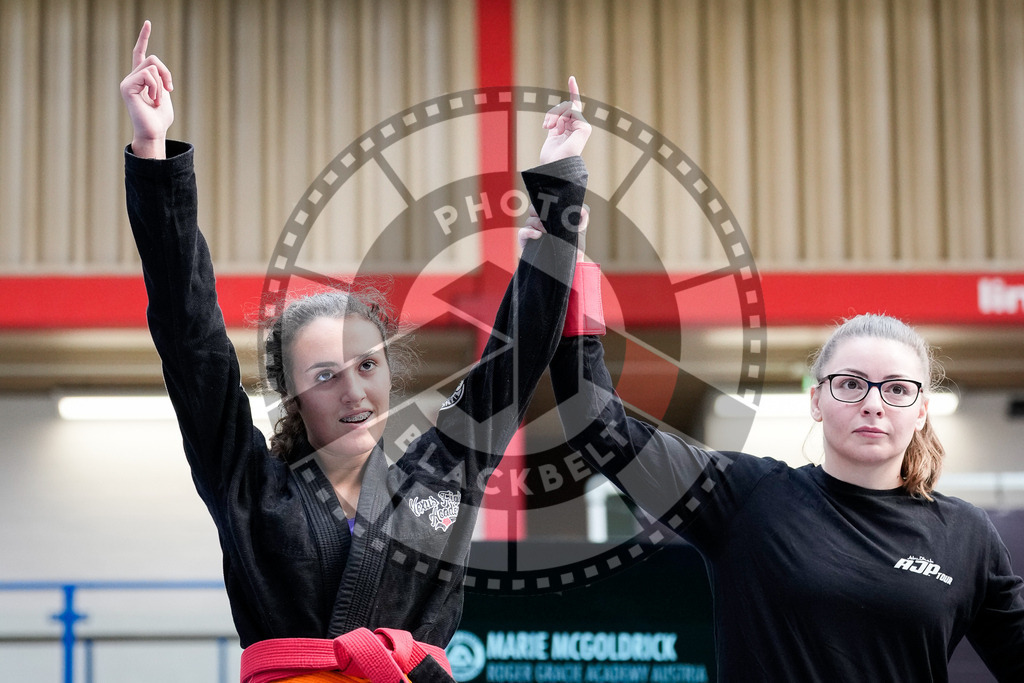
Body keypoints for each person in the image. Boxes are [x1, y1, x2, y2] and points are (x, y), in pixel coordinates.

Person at [120, 19, 592, 679]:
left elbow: (516, 359)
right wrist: (153, 150)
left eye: (367, 365)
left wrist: (556, 191)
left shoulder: (443, 469)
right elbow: (188, 333)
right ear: (293, 394)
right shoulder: (249, 484)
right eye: (325, 374)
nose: (353, 390)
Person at [521, 220, 1024, 679]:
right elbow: (596, 424)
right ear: (817, 401)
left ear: (920, 411)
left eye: (897, 389)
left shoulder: (965, 536)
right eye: (850, 384)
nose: (873, 403)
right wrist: (569, 266)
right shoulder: (748, 499)